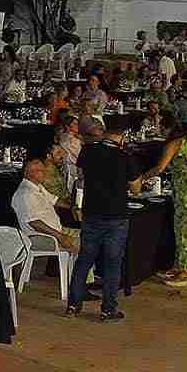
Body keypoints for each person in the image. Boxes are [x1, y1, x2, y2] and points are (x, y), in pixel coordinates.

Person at [132, 115, 187, 287]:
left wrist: (141, 179)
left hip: (184, 191)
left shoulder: (173, 144)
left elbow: (160, 168)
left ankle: (185, 273)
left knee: (183, 228)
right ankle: (181, 266)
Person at [64, 125, 134, 320]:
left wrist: (77, 204)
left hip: (91, 213)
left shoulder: (88, 150)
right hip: (116, 217)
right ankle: (108, 309)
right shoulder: (125, 156)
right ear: (121, 136)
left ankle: (73, 305)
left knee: (84, 260)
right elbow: (135, 188)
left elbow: (80, 180)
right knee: (112, 264)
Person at [11, 159, 79, 255]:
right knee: (89, 242)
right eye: (40, 171)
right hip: (43, 237)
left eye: (43, 170)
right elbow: (34, 223)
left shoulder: (36, 187)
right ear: (28, 173)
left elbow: (54, 200)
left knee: (90, 234)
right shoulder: (26, 194)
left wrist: (71, 207)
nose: (44, 173)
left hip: (56, 231)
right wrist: (61, 237)